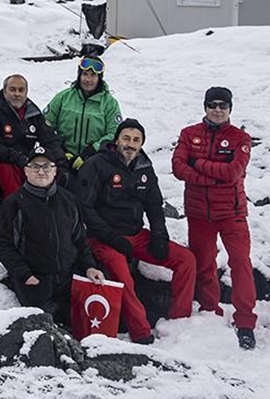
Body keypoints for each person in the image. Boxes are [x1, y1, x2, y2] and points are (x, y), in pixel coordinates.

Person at [77, 118, 195, 344]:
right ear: (116, 140)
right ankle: (141, 332)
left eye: (136, 140)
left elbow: (154, 204)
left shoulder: (144, 167)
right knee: (123, 275)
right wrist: (111, 237)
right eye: (126, 138)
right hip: (103, 238)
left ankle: (179, 321)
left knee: (186, 260)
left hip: (136, 234)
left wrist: (159, 234)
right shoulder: (96, 165)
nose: (130, 144)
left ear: (141, 144)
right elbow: (85, 208)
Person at [171, 87, 257, 350]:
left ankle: (245, 323)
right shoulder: (189, 134)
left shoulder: (241, 138)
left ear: (230, 108)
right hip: (199, 214)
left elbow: (233, 172)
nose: (217, 109)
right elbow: (178, 168)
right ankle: (210, 311)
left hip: (232, 213)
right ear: (205, 107)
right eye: (212, 105)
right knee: (204, 264)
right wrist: (211, 177)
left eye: (223, 105)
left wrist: (197, 164)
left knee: (240, 263)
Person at [0, 146, 105, 322]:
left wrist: (89, 266)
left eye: (46, 166)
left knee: (81, 327)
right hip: (35, 284)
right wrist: (25, 275)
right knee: (45, 330)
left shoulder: (69, 199)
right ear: (26, 171)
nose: (41, 171)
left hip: (68, 281)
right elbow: (2, 244)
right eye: (35, 166)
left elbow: (80, 239)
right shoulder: (14, 203)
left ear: (54, 171)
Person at [0, 73, 69, 199]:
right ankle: (16, 206)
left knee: (46, 167)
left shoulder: (33, 114)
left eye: (21, 90)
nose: (17, 94)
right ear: (4, 91)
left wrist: (61, 164)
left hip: (25, 165)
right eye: (12, 90)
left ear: (26, 92)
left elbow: (50, 141)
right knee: (7, 169)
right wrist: (16, 157)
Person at [43, 55, 123, 174]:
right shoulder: (63, 97)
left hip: (96, 162)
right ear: (79, 75)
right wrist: (60, 149)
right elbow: (45, 125)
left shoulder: (109, 104)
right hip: (61, 160)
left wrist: (90, 152)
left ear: (99, 78)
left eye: (93, 75)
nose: (88, 79)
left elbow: (114, 133)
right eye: (85, 74)